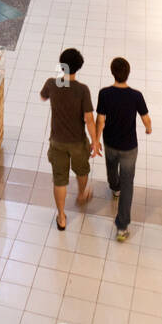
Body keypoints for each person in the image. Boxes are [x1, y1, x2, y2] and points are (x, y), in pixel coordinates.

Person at [40, 48, 97, 229]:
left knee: (60, 180)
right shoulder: (82, 90)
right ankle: (81, 195)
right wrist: (95, 141)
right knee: (82, 171)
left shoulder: (51, 83)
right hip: (78, 142)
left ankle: (62, 217)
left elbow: (43, 96)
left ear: (61, 65)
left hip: (57, 141)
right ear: (79, 67)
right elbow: (89, 119)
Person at [96, 57, 151, 242]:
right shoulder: (136, 96)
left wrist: (96, 140)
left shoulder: (104, 94)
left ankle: (114, 188)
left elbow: (101, 120)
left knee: (111, 168)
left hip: (110, 143)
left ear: (112, 72)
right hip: (129, 147)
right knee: (129, 183)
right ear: (128, 73)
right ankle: (122, 227)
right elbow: (146, 119)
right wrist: (148, 128)